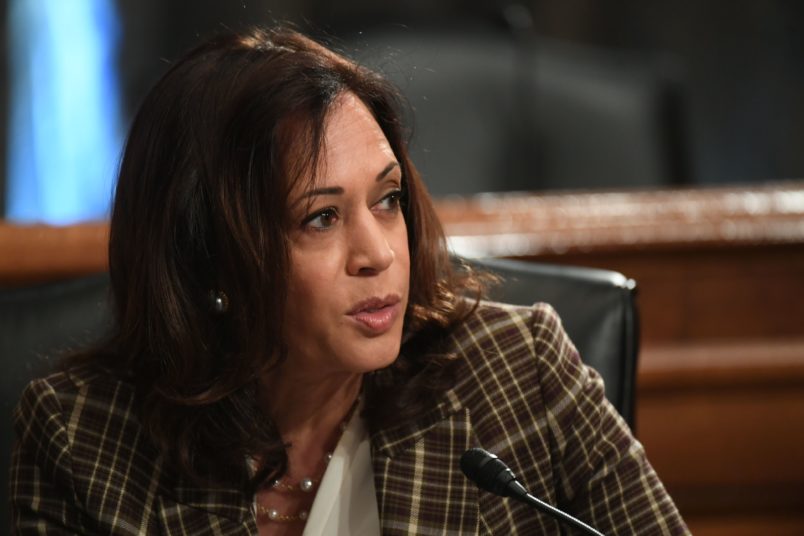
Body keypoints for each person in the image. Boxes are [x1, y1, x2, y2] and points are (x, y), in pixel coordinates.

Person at [10, 27, 689, 535]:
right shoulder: (83, 438)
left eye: (388, 200)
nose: (378, 254)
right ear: (209, 256)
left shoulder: (518, 374)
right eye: (321, 218)